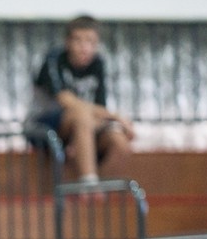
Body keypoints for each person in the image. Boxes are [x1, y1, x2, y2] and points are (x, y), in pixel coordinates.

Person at [28, 16, 134, 183]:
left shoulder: (98, 64)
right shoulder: (54, 60)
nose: (84, 48)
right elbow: (66, 101)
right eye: (78, 40)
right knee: (81, 115)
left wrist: (116, 124)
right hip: (45, 126)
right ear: (67, 42)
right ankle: (88, 183)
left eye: (90, 42)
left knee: (118, 140)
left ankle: (98, 197)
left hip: (85, 127)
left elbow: (99, 107)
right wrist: (114, 116)